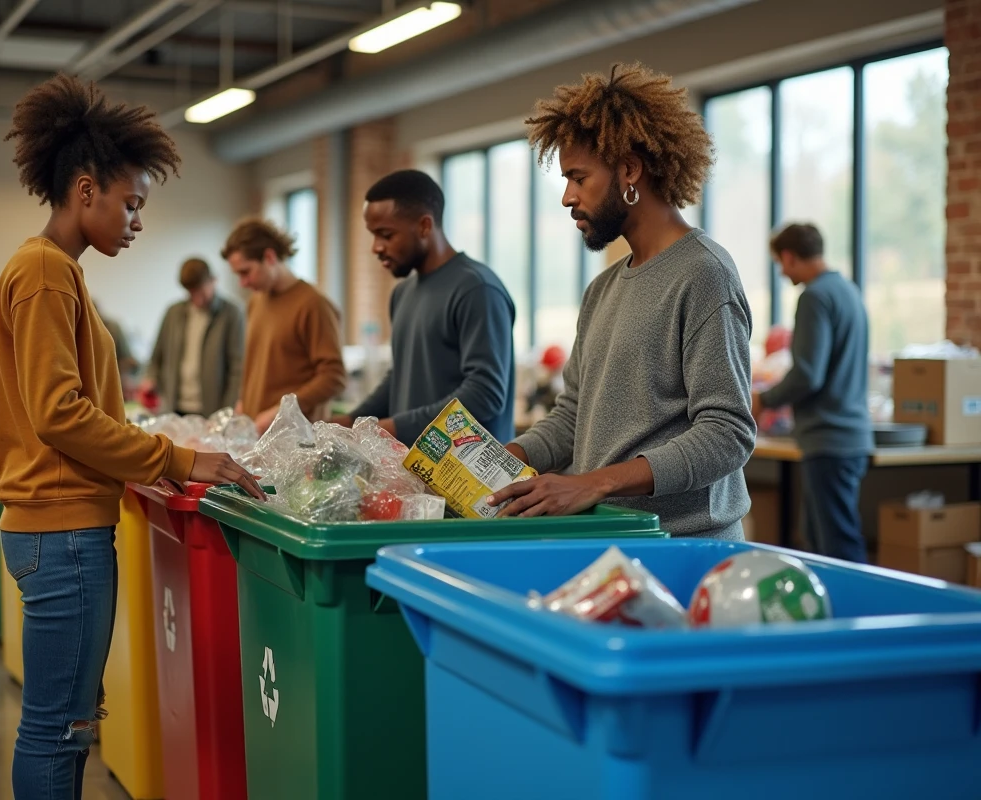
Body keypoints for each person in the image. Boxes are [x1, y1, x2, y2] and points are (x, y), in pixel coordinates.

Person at [0, 74, 264, 800]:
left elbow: (75, 412)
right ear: (86, 191)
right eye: (131, 204)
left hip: (59, 529)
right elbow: (59, 414)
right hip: (63, 535)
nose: (137, 222)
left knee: (65, 724)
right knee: (59, 729)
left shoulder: (54, 273)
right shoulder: (46, 273)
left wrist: (139, 461)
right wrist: (177, 456)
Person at [489, 62, 756, 540]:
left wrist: (591, 483)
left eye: (578, 177)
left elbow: (727, 432)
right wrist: (504, 460)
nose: (568, 197)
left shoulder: (704, 273)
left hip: (683, 547)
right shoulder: (603, 289)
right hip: (612, 538)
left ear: (629, 169)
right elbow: (574, 415)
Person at [332, 170, 516, 446]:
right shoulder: (402, 293)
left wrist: (393, 427)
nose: (376, 247)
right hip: (416, 472)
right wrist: (353, 421)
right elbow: (401, 377)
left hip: (472, 480)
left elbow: (485, 394)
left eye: (385, 235)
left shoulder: (476, 288)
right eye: (373, 235)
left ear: (424, 226)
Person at [753, 223, 872, 562]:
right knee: (820, 537)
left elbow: (807, 374)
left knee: (836, 546)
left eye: (779, 262)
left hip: (829, 437)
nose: (781, 271)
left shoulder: (814, 296)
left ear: (789, 256)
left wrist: (763, 399)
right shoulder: (847, 291)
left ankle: (850, 614)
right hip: (849, 436)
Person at [223, 218, 346, 433]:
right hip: (258, 434)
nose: (243, 283)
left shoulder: (314, 304)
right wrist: (244, 403)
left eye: (245, 272)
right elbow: (260, 364)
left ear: (269, 257)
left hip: (295, 439)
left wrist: (283, 411)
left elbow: (334, 377)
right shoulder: (256, 301)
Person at [141, 257, 244, 417]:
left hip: (212, 411)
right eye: (191, 293)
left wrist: (227, 412)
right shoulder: (173, 313)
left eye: (201, 292)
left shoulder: (232, 314)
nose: (197, 300)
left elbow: (237, 369)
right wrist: (150, 378)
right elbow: (157, 356)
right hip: (174, 407)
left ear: (213, 280)